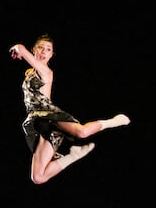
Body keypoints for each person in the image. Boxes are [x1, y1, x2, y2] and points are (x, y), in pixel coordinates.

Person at [9, 33, 130, 185]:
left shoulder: (46, 72)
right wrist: (19, 52)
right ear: (34, 49)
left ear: (52, 54)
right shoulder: (29, 72)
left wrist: (18, 49)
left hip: (50, 116)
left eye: (48, 49)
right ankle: (73, 155)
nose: (43, 52)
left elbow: (20, 47)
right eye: (40, 48)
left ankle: (114, 121)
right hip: (40, 124)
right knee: (38, 178)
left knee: (82, 132)